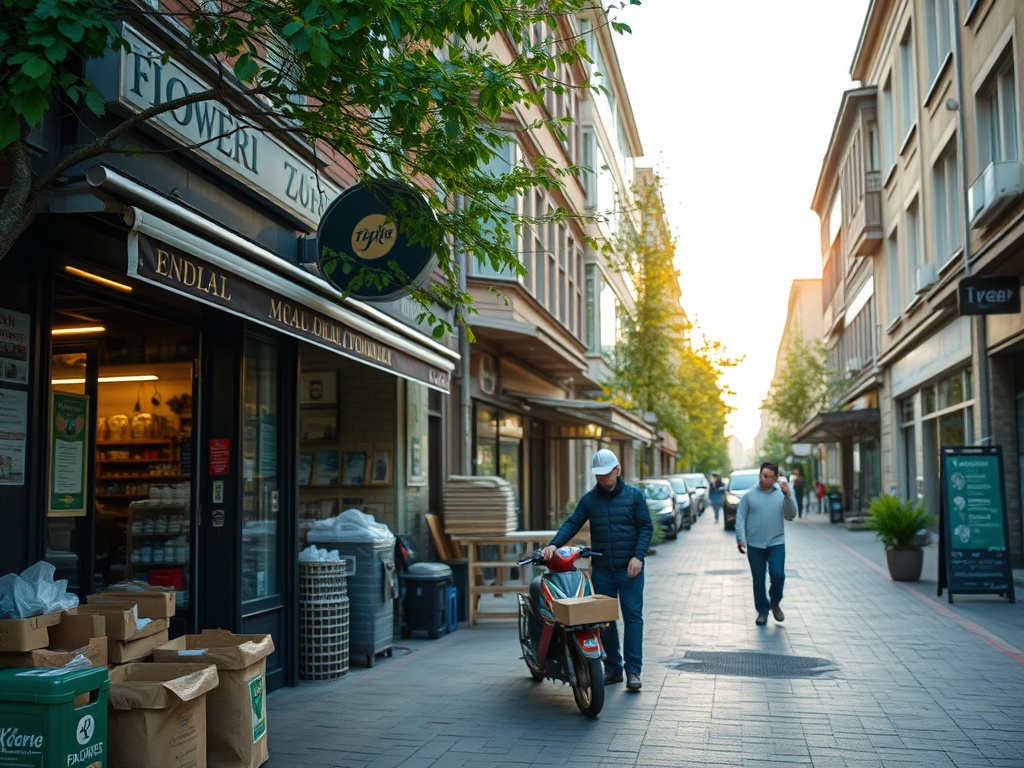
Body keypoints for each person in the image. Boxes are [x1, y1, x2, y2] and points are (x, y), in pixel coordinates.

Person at [542, 448, 652, 691]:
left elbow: (646, 527)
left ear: (618, 470)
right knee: (605, 620)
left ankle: (633, 671)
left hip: (629, 570)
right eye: (598, 477)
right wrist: (554, 544)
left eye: (607, 475)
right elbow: (573, 522)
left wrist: (638, 556)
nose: (602, 481)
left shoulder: (634, 497)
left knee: (633, 618)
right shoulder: (590, 499)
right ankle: (613, 669)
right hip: (602, 569)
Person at [735, 461, 797, 626]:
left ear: (776, 478)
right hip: (755, 545)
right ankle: (762, 611)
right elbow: (740, 517)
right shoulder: (750, 495)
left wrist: (788, 496)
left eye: (768, 476)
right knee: (758, 579)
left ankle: (775, 602)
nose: (763, 479)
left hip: (776, 543)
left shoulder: (782, 493)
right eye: (762, 475)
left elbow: (792, 514)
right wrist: (741, 538)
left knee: (778, 575)